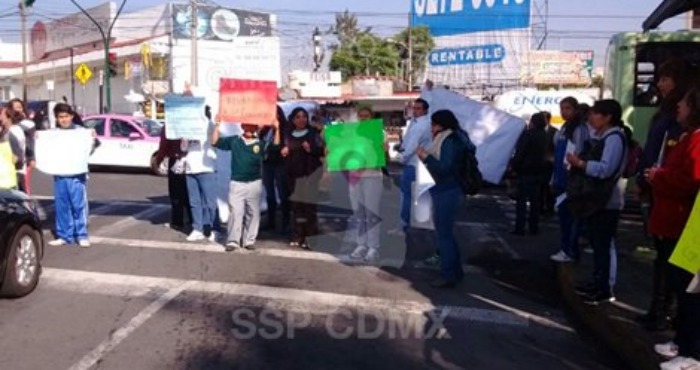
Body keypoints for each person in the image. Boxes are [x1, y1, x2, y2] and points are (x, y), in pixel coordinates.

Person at [645, 88, 700, 370]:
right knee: (679, 287)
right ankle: (681, 342)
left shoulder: (698, 140)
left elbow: (689, 180)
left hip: (684, 226)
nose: (678, 106)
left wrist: (660, 176)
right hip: (672, 221)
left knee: (689, 291)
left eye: (684, 102)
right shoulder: (689, 137)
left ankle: (692, 353)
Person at [636, 59, 692, 331]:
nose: (659, 84)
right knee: (662, 256)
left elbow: (686, 172)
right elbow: (653, 150)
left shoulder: (685, 124)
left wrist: (657, 176)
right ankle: (657, 308)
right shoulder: (665, 114)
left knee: (672, 259)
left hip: (674, 198)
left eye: (665, 79)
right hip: (658, 189)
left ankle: (667, 313)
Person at [566, 99, 628, 305]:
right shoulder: (603, 136)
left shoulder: (614, 139)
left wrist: (580, 164)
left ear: (608, 117)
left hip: (607, 201)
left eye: (595, 114)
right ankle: (597, 282)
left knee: (604, 245)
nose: (591, 118)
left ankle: (605, 288)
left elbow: (605, 169)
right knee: (597, 243)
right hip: (597, 200)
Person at [417, 110, 472, 288]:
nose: (431, 128)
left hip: (447, 190)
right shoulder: (457, 137)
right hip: (449, 190)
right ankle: (455, 271)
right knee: (447, 234)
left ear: (440, 125)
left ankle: (448, 274)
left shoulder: (449, 140)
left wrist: (425, 157)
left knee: (444, 235)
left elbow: (443, 167)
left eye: (433, 124)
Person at [213, 118, 273, 252]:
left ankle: (249, 240)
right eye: (247, 126)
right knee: (236, 212)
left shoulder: (261, 143)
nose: (250, 129)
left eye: (253, 126)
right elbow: (215, 142)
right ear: (242, 126)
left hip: (254, 182)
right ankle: (233, 241)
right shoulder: (235, 140)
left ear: (257, 127)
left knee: (253, 213)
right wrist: (217, 125)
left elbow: (274, 147)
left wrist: (278, 128)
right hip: (237, 183)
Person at [47, 103, 100, 248]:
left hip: (77, 174)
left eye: (66, 116)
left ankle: (81, 234)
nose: (63, 120)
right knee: (61, 205)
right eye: (60, 117)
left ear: (71, 116)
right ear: (56, 118)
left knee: (79, 205)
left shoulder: (81, 131)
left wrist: (93, 139)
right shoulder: (53, 133)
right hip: (60, 174)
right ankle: (64, 235)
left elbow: (93, 146)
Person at [343, 107, 389, 263]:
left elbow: (385, 160)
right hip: (355, 176)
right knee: (358, 212)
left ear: (372, 117)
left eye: (366, 116)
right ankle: (361, 244)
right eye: (361, 116)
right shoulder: (352, 134)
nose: (363, 118)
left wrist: (386, 151)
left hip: (372, 176)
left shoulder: (380, 134)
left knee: (371, 213)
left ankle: (373, 247)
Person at [550, 97, 589, 263]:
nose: (564, 112)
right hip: (560, 179)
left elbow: (577, 155)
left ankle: (569, 251)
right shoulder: (564, 129)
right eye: (562, 108)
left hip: (571, 181)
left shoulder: (579, 130)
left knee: (570, 219)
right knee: (564, 218)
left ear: (575, 109)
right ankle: (566, 248)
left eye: (567, 108)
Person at [281, 107, 325, 250]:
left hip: (310, 175)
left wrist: (310, 149)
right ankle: (297, 235)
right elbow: (279, 150)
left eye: (304, 116)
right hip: (293, 176)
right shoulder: (287, 134)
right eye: (298, 117)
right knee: (297, 207)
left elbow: (321, 150)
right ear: (293, 119)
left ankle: (310, 237)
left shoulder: (313, 133)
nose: (302, 119)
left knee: (309, 207)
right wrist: (283, 151)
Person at [393, 98, 432, 238]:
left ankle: (403, 226)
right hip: (420, 164)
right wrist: (401, 148)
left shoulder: (421, 125)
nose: (415, 111)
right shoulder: (418, 123)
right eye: (414, 108)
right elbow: (408, 143)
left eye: (418, 108)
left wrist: (401, 158)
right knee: (421, 196)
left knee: (406, 196)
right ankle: (417, 225)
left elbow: (412, 147)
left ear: (425, 110)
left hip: (413, 163)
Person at [182, 107, 218, 242]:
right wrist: (184, 136)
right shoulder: (186, 126)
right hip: (190, 169)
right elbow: (183, 148)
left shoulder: (208, 124)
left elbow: (214, 139)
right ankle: (198, 228)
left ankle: (215, 229)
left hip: (206, 168)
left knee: (210, 202)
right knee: (194, 202)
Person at [511, 112, 549, 236]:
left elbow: (520, 153)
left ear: (532, 122)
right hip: (539, 171)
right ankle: (533, 227)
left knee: (521, 202)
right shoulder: (545, 135)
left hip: (525, 171)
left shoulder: (528, 135)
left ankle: (519, 227)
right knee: (535, 202)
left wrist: (514, 167)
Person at [155, 123, 191, 233]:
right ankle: (193, 220)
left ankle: (177, 221)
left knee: (176, 193)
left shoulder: (170, 125)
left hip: (176, 160)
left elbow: (164, 146)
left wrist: (158, 161)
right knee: (190, 192)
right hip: (193, 159)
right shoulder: (193, 123)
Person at [260, 106, 291, 233]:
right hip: (267, 163)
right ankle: (271, 221)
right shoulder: (266, 129)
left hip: (280, 164)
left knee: (283, 192)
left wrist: (277, 129)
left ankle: (286, 222)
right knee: (270, 193)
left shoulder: (285, 128)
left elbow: (283, 145)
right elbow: (260, 142)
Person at [8, 99, 36, 194]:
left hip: (23, 158)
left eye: (20, 107)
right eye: (15, 107)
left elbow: (30, 142)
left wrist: (32, 158)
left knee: (23, 184)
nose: (18, 110)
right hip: (8, 159)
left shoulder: (27, 124)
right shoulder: (6, 123)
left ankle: (25, 204)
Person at [0, 109, 19, 190]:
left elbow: (17, 156)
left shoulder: (12, 133)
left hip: (8, 180)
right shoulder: (4, 132)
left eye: (1, 115)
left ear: (9, 118)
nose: (0, 118)